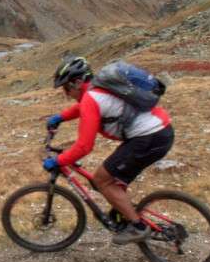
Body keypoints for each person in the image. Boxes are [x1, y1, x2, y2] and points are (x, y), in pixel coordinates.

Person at [44, 56, 175, 245]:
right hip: (158, 132)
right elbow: (82, 107)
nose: (67, 94)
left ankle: (137, 227)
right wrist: (60, 117)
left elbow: (84, 146)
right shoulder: (97, 89)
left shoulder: (91, 98)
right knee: (111, 177)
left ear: (78, 82)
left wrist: (58, 161)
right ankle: (122, 213)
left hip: (149, 137)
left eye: (67, 88)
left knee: (101, 180)